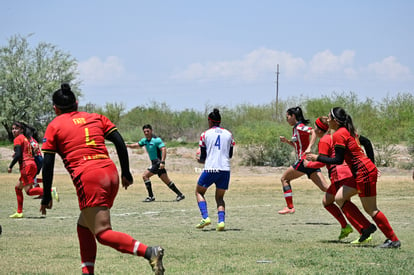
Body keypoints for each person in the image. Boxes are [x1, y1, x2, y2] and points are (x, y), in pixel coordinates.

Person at [40, 84, 165, 274]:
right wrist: (126, 172)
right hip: (110, 173)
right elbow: (119, 141)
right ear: (76, 103)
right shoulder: (96, 117)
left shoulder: (55, 125)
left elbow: (47, 163)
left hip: (89, 177)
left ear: (55, 108)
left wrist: (46, 195)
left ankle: (149, 252)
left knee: (103, 232)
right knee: (84, 225)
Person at [306, 107, 401, 248]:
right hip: (360, 172)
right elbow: (366, 143)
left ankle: (393, 240)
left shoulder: (338, 135)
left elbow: (337, 160)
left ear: (336, 121)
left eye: (329, 117)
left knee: (371, 209)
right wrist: (372, 165)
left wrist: (316, 157)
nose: (327, 119)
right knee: (339, 198)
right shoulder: (346, 132)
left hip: (363, 172)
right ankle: (367, 228)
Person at [305, 117, 375, 241]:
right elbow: (365, 142)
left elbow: (321, 161)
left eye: (315, 126)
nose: (314, 129)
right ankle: (354, 228)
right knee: (329, 201)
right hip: (346, 173)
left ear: (320, 130)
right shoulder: (335, 135)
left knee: (341, 202)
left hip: (340, 176)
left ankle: (364, 229)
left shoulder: (325, 140)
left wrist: (308, 165)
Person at [278, 107, 329, 214]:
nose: (286, 119)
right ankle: (343, 195)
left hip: (303, 161)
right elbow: (298, 146)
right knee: (326, 188)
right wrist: (287, 141)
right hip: (309, 161)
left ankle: (290, 207)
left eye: (287, 117)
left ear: (293, 116)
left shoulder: (300, 127)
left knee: (284, 179)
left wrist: (310, 147)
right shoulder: (296, 129)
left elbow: (314, 132)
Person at [195, 108, 235, 231]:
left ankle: (205, 217)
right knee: (219, 198)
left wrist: (198, 159)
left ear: (210, 121)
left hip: (211, 168)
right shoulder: (229, 134)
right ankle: (221, 222)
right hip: (225, 169)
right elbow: (230, 155)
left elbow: (202, 158)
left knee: (199, 192)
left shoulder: (205, 134)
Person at [7, 121, 58, 218]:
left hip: (27, 166)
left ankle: (50, 191)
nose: (14, 130)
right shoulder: (26, 139)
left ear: (21, 130)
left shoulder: (18, 139)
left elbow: (18, 155)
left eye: (16, 128)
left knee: (29, 191)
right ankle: (19, 212)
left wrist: (10, 166)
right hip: (31, 164)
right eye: (13, 129)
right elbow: (28, 152)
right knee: (18, 188)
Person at [126, 124, 185, 202]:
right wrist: (126, 146)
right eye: (144, 131)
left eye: (148, 131)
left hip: (157, 162)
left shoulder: (157, 140)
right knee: (166, 181)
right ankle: (180, 195)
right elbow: (137, 145)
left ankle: (151, 197)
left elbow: (163, 149)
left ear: (151, 131)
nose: (146, 133)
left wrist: (162, 162)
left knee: (145, 176)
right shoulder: (145, 141)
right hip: (155, 162)